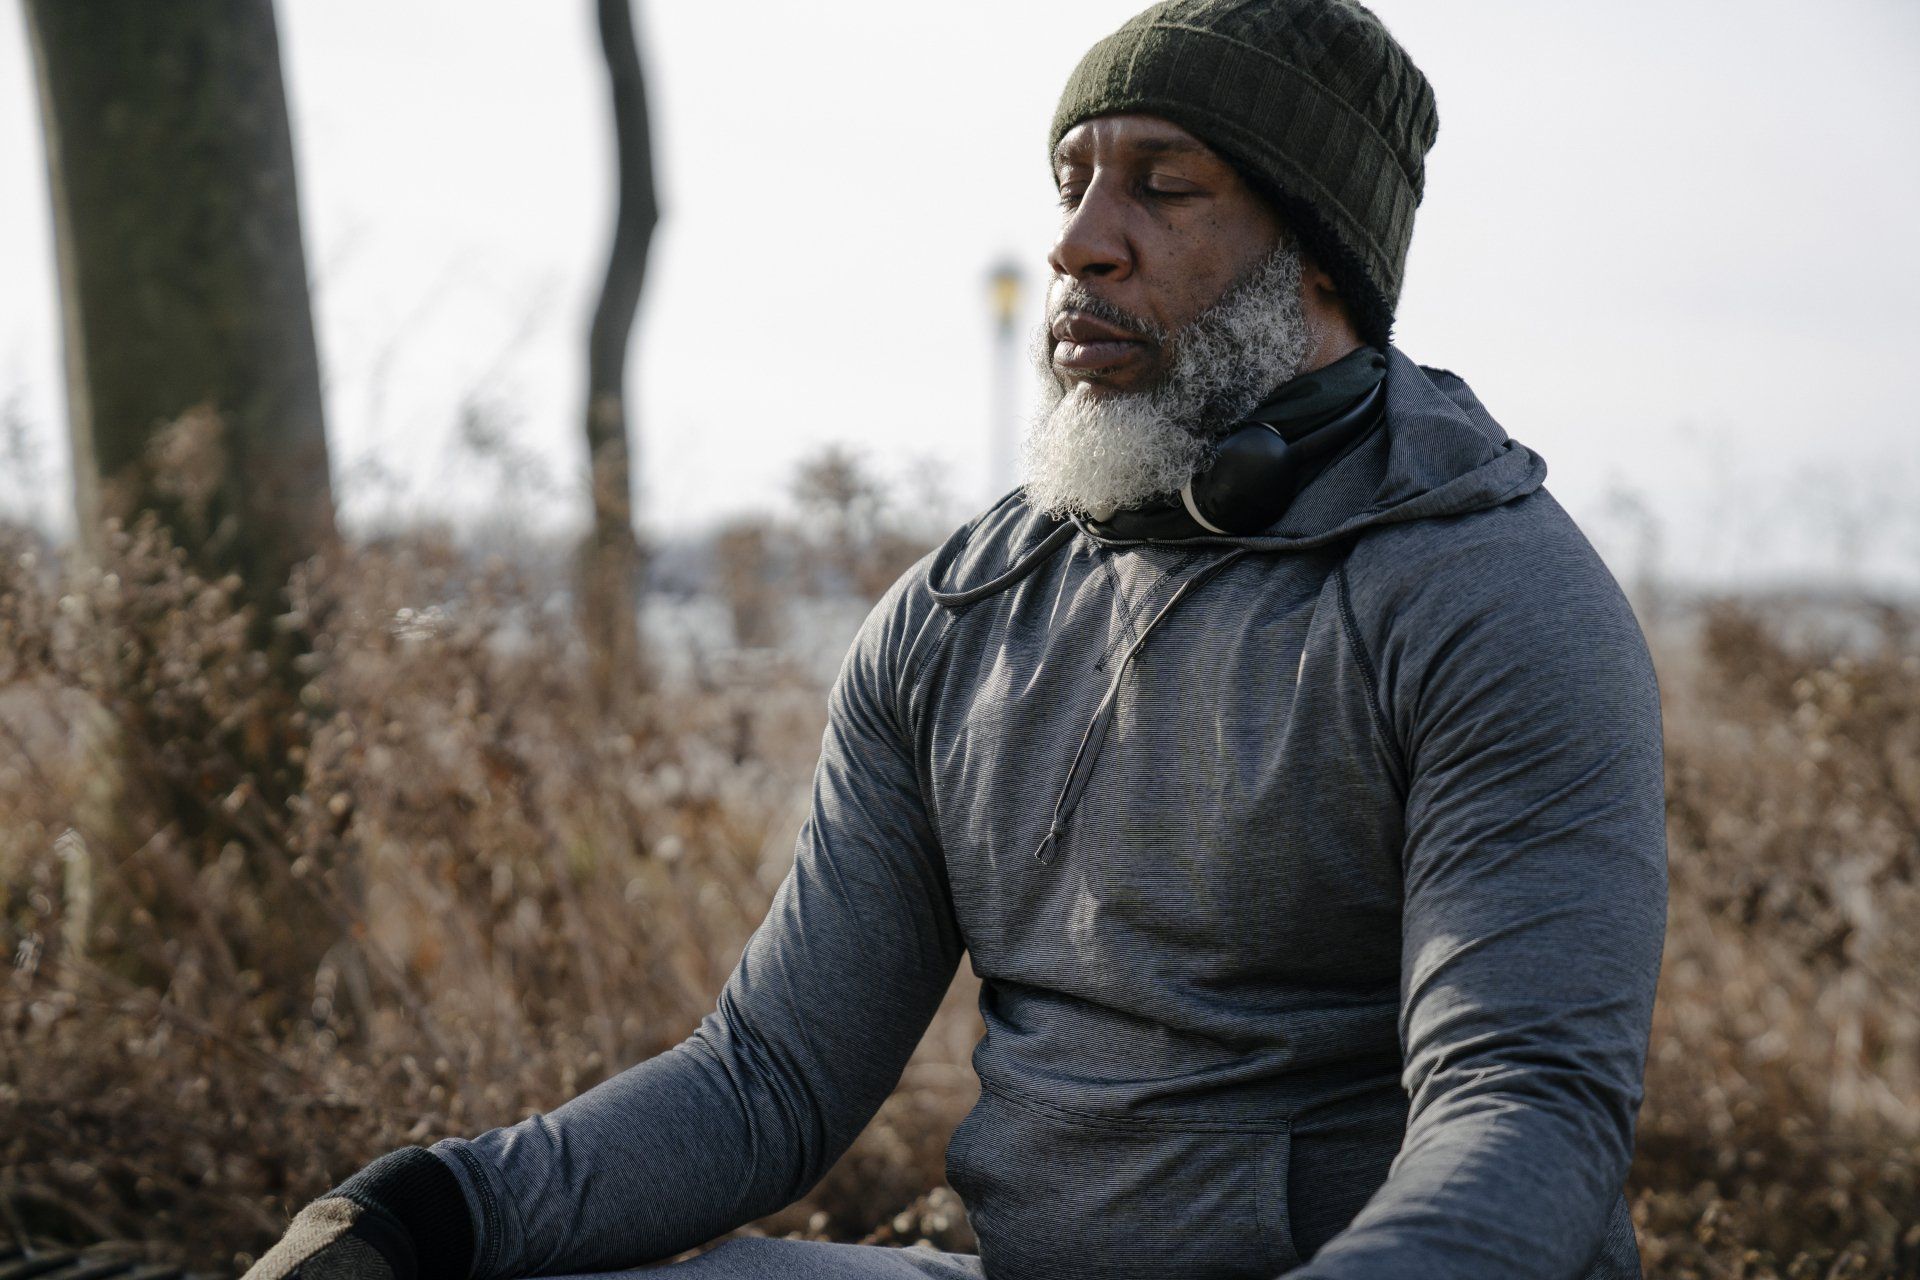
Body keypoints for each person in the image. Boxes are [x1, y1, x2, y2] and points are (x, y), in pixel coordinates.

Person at [246, 2, 1667, 1277]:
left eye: (1163, 188)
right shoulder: (957, 614)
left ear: (1318, 267)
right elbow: (768, 1080)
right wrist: (427, 1213)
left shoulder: (1495, 605)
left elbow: (1525, 1110)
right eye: (1073, 182)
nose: (1078, 241)